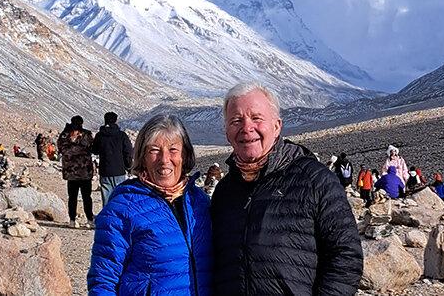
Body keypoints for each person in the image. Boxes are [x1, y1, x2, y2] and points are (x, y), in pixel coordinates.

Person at [210, 82, 362, 294]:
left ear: (277, 125)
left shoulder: (315, 180)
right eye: (236, 121)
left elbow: (346, 255)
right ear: (227, 132)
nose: (247, 128)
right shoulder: (224, 192)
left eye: (256, 118)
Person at [88, 114, 212, 294]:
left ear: (184, 155)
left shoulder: (199, 201)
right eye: (154, 150)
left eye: (173, 150)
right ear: (142, 157)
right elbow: (103, 280)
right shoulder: (123, 208)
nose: (164, 159)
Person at [57, 115, 95, 229]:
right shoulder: (66, 135)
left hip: (78, 172)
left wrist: (73, 147)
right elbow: (63, 150)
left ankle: (85, 219)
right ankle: (75, 220)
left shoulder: (84, 134)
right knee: (76, 197)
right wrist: (79, 147)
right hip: (77, 172)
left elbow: (91, 148)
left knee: (83, 197)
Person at [92, 111, 133, 204]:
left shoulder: (100, 135)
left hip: (105, 171)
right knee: (119, 197)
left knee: (106, 198)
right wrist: (128, 165)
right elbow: (128, 152)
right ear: (115, 121)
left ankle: (107, 217)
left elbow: (94, 150)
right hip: (119, 171)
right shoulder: (122, 135)